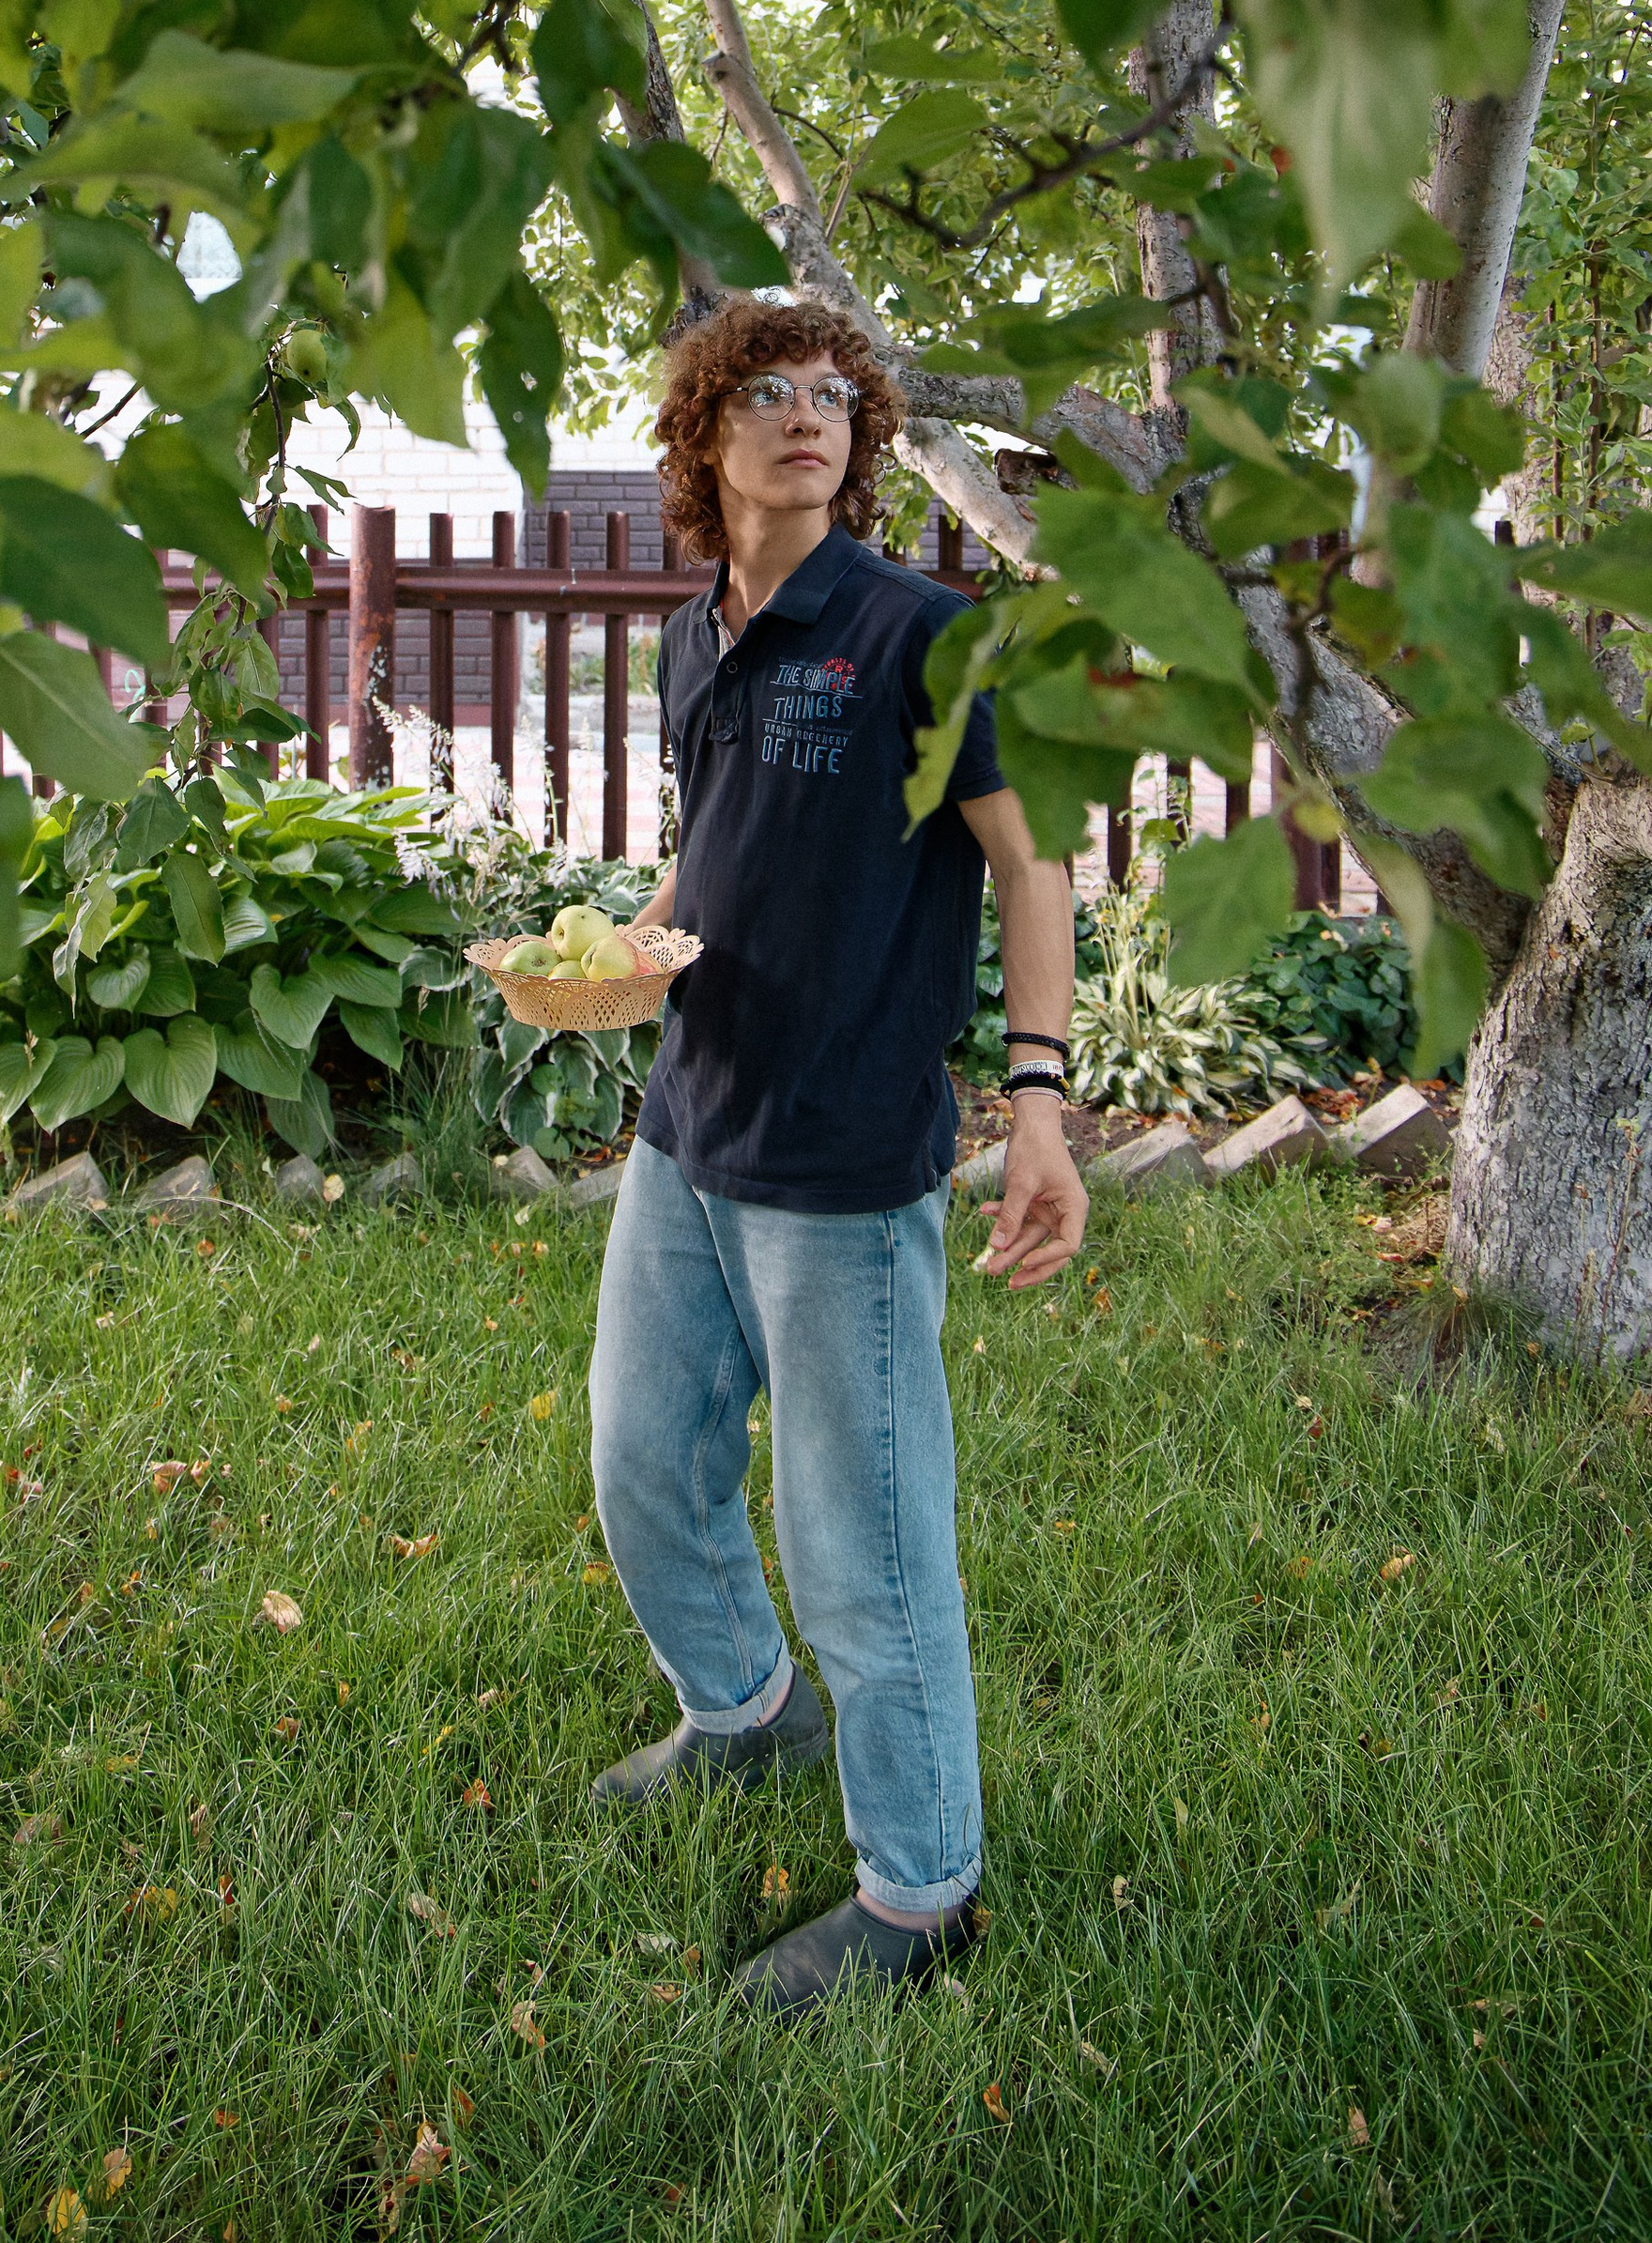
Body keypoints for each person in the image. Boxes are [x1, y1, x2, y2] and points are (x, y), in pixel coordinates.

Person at [586, 295, 1087, 2020]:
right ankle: (744, 1713)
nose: (808, 415)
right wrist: (625, 948)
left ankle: (921, 1892)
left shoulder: (921, 632)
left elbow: (1032, 867)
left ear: (859, 439)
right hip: (690, 1125)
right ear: (703, 436)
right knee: (642, 1460)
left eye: (833, 396)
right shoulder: (691, 637)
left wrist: (1038, 1102)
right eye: (767, 392)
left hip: (846, 1158)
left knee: (862, 1547)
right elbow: (713, 847)